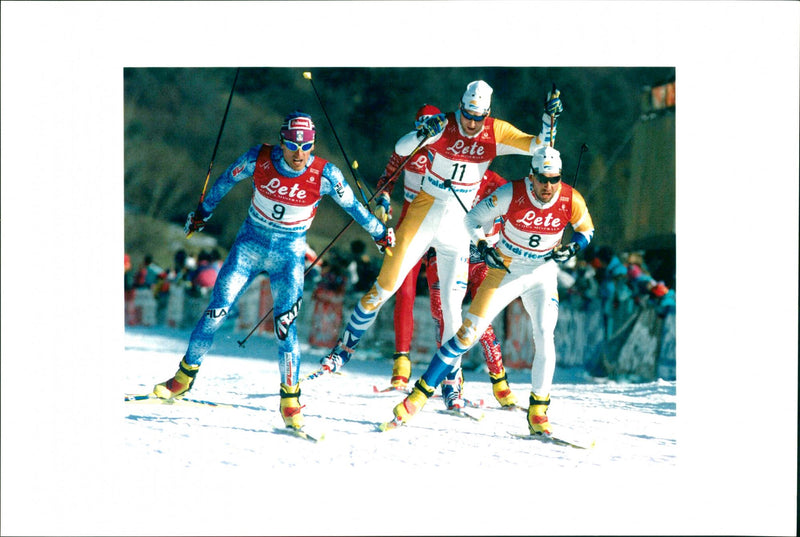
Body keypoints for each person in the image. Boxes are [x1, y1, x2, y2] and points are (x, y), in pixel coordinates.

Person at [320, 80, 563, 412]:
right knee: (386, 286)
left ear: (487, 114)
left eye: (478, 117)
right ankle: (342, 352)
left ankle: (452, 385)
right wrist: (424, 132)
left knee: (452, 309)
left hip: (458, 227)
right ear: (460, 106)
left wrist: (549, 122)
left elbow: (539, 148)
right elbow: (401, 149)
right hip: (424, 212)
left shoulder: (495, 131)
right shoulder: (445, 125)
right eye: (467, 114)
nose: (471, 123)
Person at [151, 110, 395, 432]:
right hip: (249, 246)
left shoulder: (326, 175)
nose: (299, 153)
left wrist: (380, 233)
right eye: (293, 145)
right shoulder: (260, 158)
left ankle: (290, 400)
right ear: (282, 142)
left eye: (306, 146)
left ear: (313, 144)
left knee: (285, 327)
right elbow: (225, 179)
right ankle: (184, 377)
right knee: (215, 313)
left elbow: (354, 207)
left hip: (289, 255)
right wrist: (202, 213)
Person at [384, 145, 595, 436]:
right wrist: (483, 245)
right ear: (531, 176)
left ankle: (538, 413)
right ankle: (418, 396)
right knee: (467, 335)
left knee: (545, 335)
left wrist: (574, 247)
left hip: (543, 274)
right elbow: (471, 219)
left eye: (554, 179)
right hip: (506, 270)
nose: (548, 186)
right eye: (542, 179)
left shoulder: (572, 199)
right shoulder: (512, 193)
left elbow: (586, 230)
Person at [371, 104, 442, 389]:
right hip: (410, 220)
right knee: (405, 291)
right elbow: (386, 180)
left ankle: (450, 374)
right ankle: (401, 364)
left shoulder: (448, 151)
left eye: (430, 127)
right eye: (420, 127)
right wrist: (383, 200)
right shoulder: (407, 148)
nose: (425, 134)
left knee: (442, 299)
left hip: (440, 225)